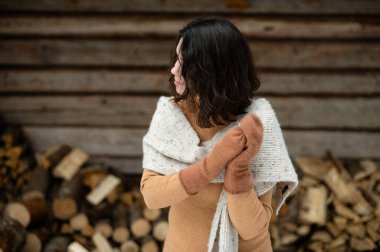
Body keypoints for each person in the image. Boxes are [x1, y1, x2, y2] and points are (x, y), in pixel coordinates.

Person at [140, 16, 299, 252]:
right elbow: (152, 197)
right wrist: (212, 164)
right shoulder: (172, 116)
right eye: (176, 59)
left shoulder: (255, 123)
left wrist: (238, 170)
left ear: (213, 70)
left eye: (184, 63)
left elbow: (252, 229)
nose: (174, 70)